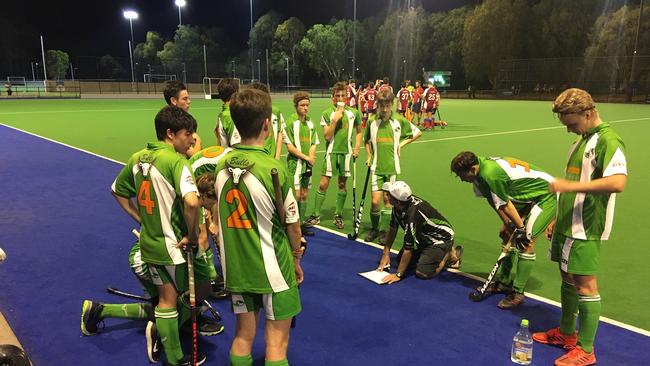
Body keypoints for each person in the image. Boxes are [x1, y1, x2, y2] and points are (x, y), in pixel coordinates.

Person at [208, 88, 304, 366]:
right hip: (274, 270)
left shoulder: (221, 164)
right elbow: (294, 227)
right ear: (267, 124)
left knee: (242, 337)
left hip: (237, 269)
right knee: (276, 345)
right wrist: (296, 258)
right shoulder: (273, 169)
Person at [532, 88, 627, 366]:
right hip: (567, 223)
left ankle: (586, 349)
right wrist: (556, 217)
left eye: (572, 124)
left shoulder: (608, 140)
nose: (569, 130)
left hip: (586, 227)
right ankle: (565, 333)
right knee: (566, 278)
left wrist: (570, 186)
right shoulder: (581, 141)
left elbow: (617, 182)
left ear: (588, 113)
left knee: (585, 285)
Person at [110, 105, 210, 365]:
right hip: (174, 245)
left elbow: (118, 191)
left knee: (197, 286)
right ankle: (175, 356)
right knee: (173, 297)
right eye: (188, 134)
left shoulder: (137, 158)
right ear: (170, 133)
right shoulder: (176, 162)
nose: (191, 139)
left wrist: (139, 218)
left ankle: (166, 330)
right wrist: (190, 233)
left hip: (150, 242)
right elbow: (191, 202)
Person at [450, 151, 557, 309]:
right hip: (523, 195)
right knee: (506, 234)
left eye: (461, 175)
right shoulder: (479, 173)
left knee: (526, 241)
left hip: (545, 195)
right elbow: (494, 201)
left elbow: (505, 204)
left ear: (472, 169)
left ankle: (518, 292)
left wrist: (520, 228)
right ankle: (504, 282)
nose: (461, 179)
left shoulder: (490, 174)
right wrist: (508, 224)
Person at [363, 89, 422, 243]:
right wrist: (369, 156)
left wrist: (401, 144)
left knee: (388, 201)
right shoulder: (371, 121)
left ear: (392, 105)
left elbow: (417, 133)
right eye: (382, 105)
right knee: (375, 202)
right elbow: (366, 141)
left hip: (392, 168)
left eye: (388, 105)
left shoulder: (399, 120)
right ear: (378, 105)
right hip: (376, 167)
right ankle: (374, 229)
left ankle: (383, 231)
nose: (384, 109)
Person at [376, 181, 462, 284]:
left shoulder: (412, 215)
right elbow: (393, 228)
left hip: (440, 239)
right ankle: (430, 253)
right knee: (401, 261)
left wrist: (398, 274)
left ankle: (448, 254)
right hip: (424, 236)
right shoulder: (400, 205)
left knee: (422, 273)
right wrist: (385, 253)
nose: (387, 196)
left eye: (389, 195)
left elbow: (409, 248)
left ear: (398, 201)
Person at [303, 81, 363, 230]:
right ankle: (316, 215)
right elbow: (327, 137)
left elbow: (359, 131)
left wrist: (356, 147)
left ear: (347, 96)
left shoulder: (354, 113)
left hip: (347, 153)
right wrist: (335, 120)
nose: (341, 98)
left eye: (343, 95)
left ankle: (338, 215)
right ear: (333, 98)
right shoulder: (327, 113)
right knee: (323, 184)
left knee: (342, 184)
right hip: (331, 153)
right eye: (338, 96)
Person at [189, 145, 233, 299]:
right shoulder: (230, 169)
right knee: (202, 235)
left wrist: (216, 223)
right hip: (196, 183)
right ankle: (209, 279)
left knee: (219, 231)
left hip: (207, 183)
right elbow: (214, 200)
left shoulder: (235, 168)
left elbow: (219, 201)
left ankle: (218, 277)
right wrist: (214, 223)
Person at [283, 91, 319, 236]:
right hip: (295, 164)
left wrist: (311, 157)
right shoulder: (290, 122)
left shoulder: (310, 122)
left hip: (307, 165)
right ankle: (293, 225)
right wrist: (306, 158)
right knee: (296, 195)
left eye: (307, 105)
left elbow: (313, 143)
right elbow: (290, 147)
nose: (305, 108)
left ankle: (302, 224)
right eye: (302, 105)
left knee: (304, 195)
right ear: (296, 106)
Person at [247, 82, 285, 159]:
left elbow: (279, 134)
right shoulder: (245, 113)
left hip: (272, 160)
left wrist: (277, 158)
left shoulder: (275, 111)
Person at [163, 80, 202, 157]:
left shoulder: (166, 117)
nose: (189, 101)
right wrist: (198, 140)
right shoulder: (176, 122)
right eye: (185, 99)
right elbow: (194, 155)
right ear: (173, 100)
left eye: (188, 98)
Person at [215, 78, 241, 148]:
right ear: (236, 92)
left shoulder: (222, 114)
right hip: (232, 157)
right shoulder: (230, 115)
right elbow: (237, 145)